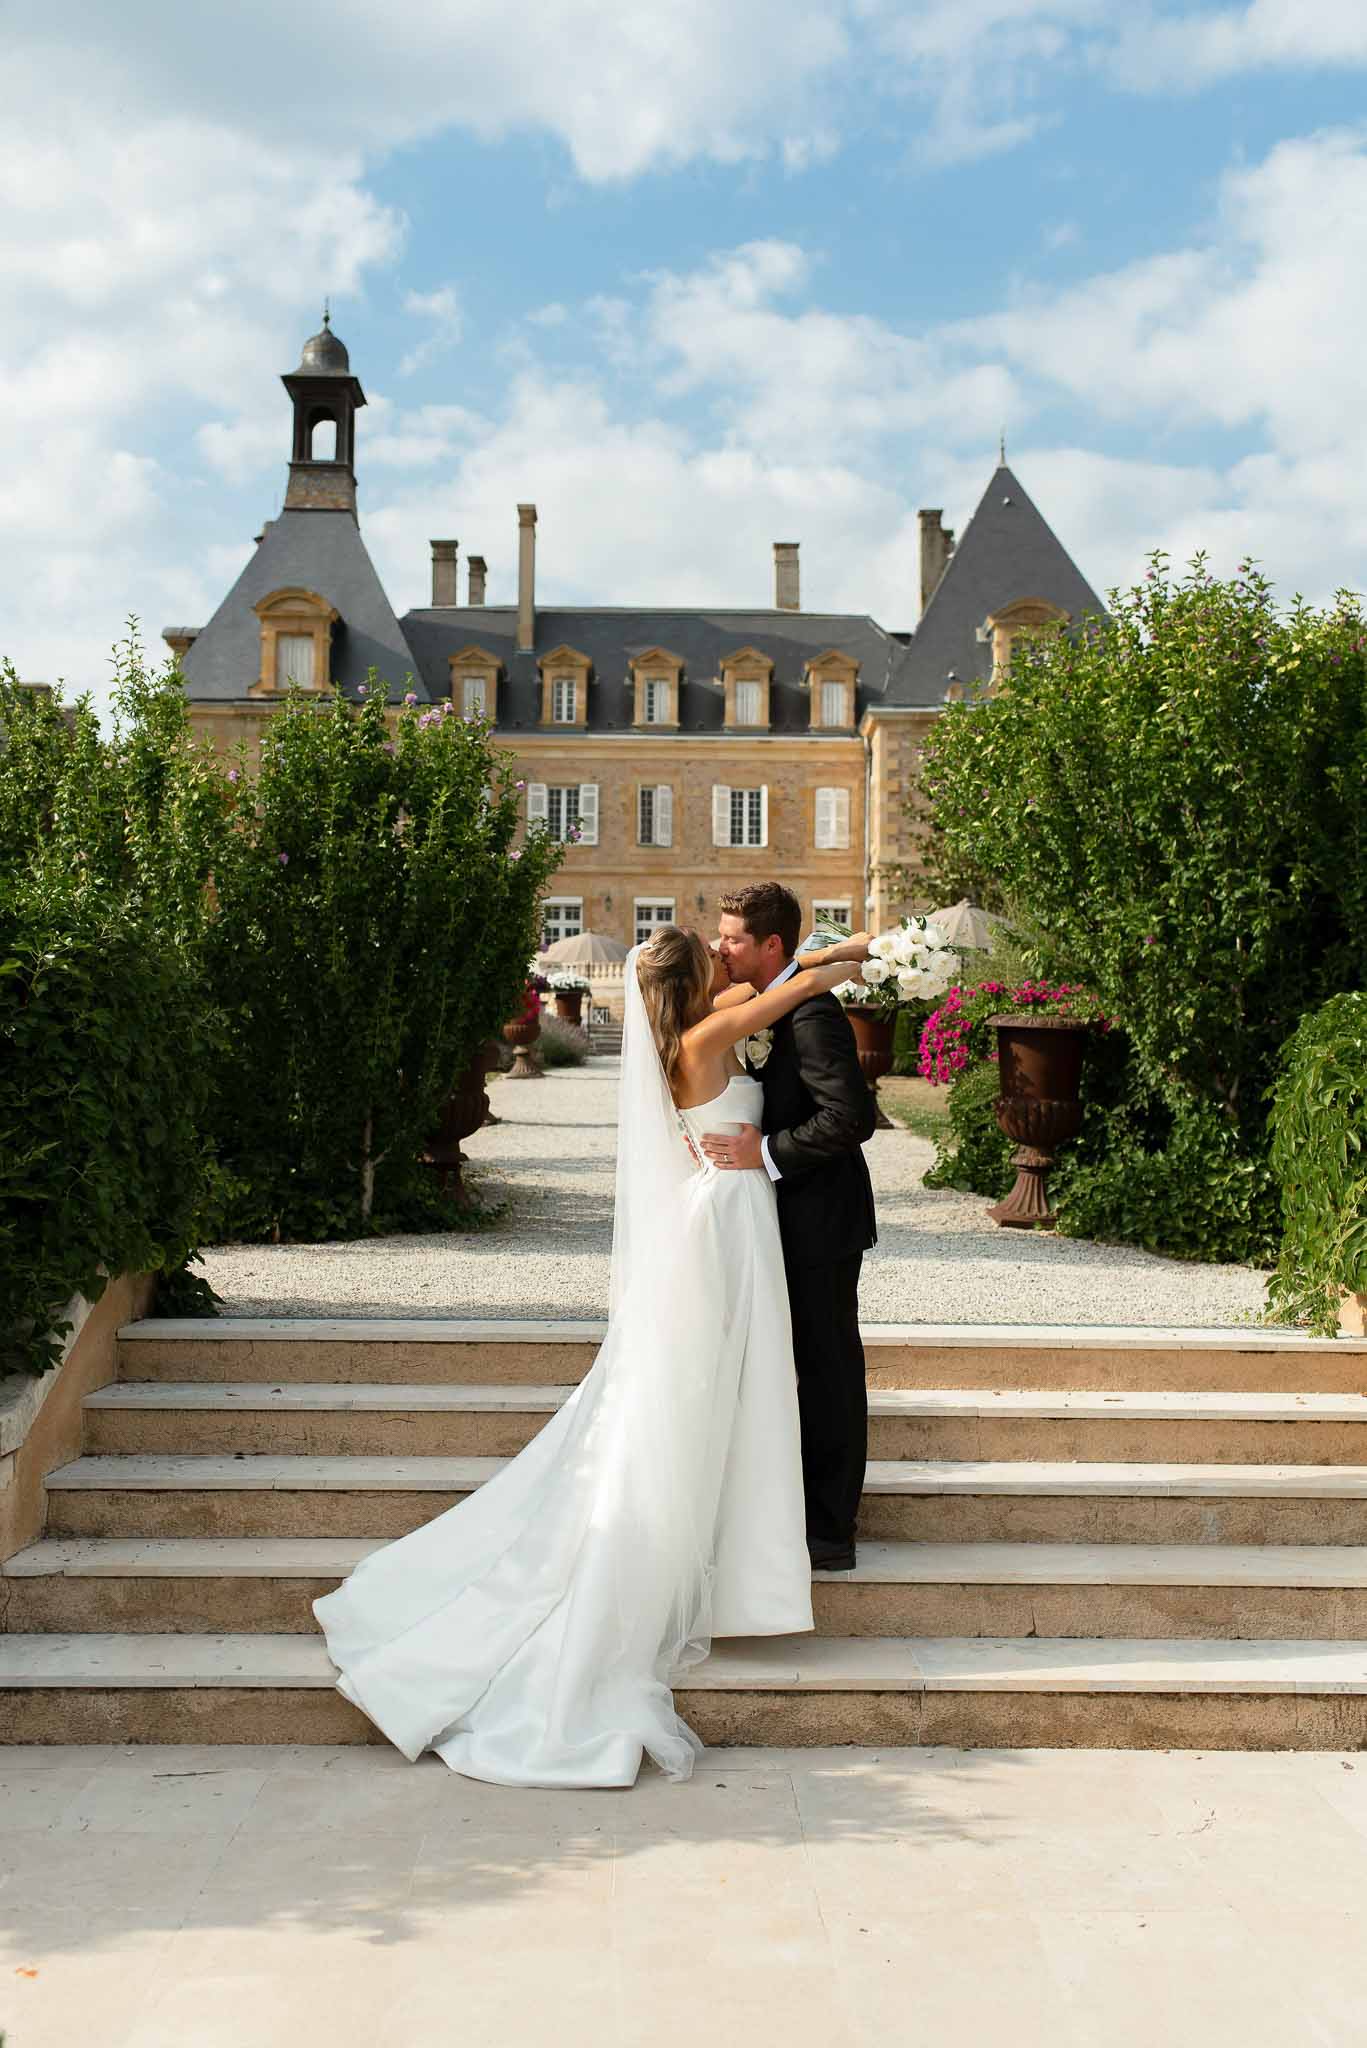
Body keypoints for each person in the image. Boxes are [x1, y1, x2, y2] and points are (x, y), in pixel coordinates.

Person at [313, 923, 870, 1787]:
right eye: (714, 953)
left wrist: (819, 955)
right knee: (723, 1381)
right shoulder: (709, 1033)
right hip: (726, 1214)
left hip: (724, 1211)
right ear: (696, 977)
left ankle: (734, 1536)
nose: (727, 960)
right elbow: (789, 994)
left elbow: (770, 988)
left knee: (730, 1382)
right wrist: (856, 955)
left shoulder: (691, 1027)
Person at [703, 884, 877, 1572]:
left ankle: (831, 1530)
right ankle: (789, 1506)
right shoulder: (768, 1000)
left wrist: (766, 1153)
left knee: (827, 1370)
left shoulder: (809, 1014)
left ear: (771, 945)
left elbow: (849, 1118)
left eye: (734, 938)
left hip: (820, 1222)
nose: (722, 946)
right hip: (773, 1220)